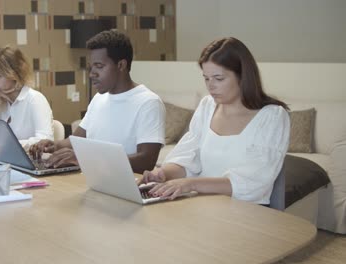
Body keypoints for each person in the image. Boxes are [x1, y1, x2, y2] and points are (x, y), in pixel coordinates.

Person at [141, 37, 290, 205]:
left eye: (219, 79)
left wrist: (190, 184)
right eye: (206, 78)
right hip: (203, 205)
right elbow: (189, 157)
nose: (210, 86)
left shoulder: (273, 117)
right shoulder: (207, 106)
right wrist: (163, 174)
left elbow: (254, 183)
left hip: (245, 213)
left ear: (243, 76)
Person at [30, 30, 165, 174]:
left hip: (125, 186)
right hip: (93, 179)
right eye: (91, 67)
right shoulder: (99, 98)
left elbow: (146, 161)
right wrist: (53, 146)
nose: (91, 74)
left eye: (99, 66)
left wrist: (86, 159)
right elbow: (75, 141)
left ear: (121, 65)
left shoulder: (148, 103)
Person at [0, 46, 53, 148]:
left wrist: (6, 145)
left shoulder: (35, 99)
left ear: (15, 74)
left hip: (31, 161)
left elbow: (45, 140)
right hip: (5, 160)